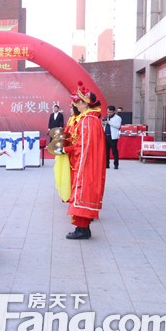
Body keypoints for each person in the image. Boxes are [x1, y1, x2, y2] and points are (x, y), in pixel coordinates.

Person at [62, 84, 106, 240]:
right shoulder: (90, 119)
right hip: (87, 162)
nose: (76, 105)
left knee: (82, 193)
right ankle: (83, 228)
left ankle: (82, 229)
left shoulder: (87, 120)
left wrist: (70, 154)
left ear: (85, 103)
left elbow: (83, 146)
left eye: (78, 102)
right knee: (83, 194)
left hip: (85, 164)